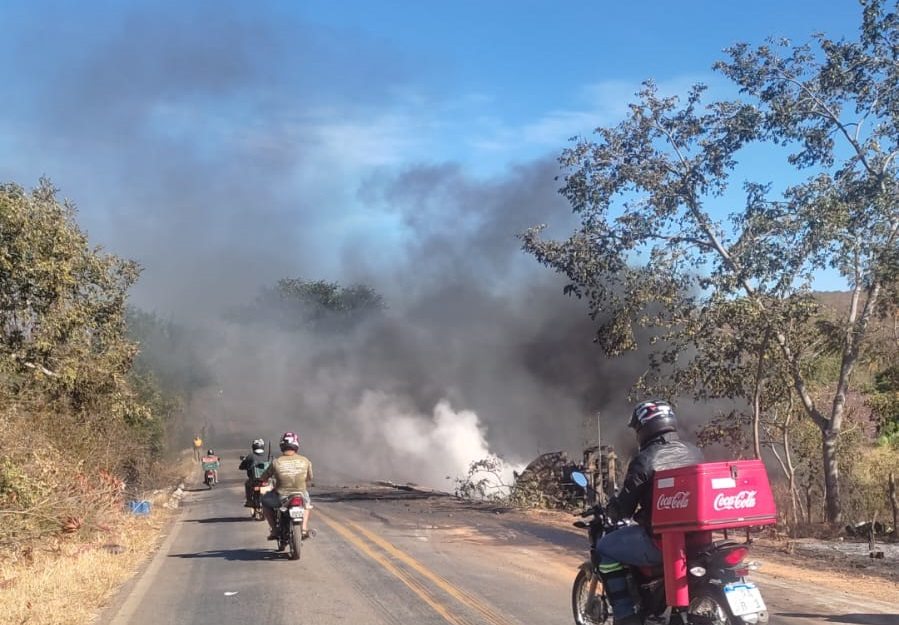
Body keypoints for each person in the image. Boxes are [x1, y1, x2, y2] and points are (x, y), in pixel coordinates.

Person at [595, 400, 704, 625]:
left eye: (637, 429)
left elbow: (625, 505)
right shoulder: (693, 452)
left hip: (661, 541)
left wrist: (612, 512)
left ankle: (625, 614)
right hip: (697, 538)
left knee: (605, 547)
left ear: (644, 428)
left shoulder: (645, 460)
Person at [259, 432, 314, 539]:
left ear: (282, 446)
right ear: (296, 445)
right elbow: (309, 477)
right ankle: (303, 529)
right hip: (300, 493)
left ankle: (274, 530)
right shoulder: (305, 460)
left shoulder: (276, 462)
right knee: (307, 505)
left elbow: (264, 477)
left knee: (265, 502)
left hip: (282, 496)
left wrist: (262, 480)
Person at [238, 438, 269, 507]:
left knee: (247, 484)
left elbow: (241, 466)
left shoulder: (250, 456)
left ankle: (249, 501)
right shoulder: (268, 456)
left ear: (253, 447)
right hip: (267, 480)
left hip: (254, 480)